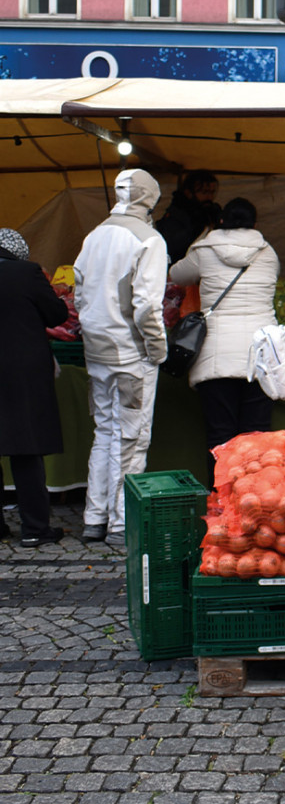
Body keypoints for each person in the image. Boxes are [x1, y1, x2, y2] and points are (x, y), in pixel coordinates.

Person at [74, 169, 168, 546]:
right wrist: (156, 349)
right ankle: (120, 524)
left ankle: (94, 519)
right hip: (131, 354)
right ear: (150, 199)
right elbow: (147, 305)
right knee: (132, 438)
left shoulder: (93, 236)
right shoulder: (149, 239)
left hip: (96, 350)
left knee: (106, 432)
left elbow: (80, 295)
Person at [168, 197, 280, 476]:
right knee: (256, 438)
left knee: (221, 437)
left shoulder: (204, 250)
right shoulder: (268, 253)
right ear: (255, 224)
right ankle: (254, 502)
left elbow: (176, 275)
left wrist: (203, 237)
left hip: (216, 355)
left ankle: (220, 504)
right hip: (259, 355)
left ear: (220, 221)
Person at [0, 228, 68, 547]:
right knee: (25, 448)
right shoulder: (27, 273)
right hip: (21, 372)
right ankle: (34, 528)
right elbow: (57, 314)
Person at [155, 169, 221, 265]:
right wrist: (197, 227)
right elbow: (172, 246)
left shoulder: (211, 212)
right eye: (204, 192)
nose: (209, 197)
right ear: (188, 193)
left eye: (212, 192)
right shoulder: (176, 214)